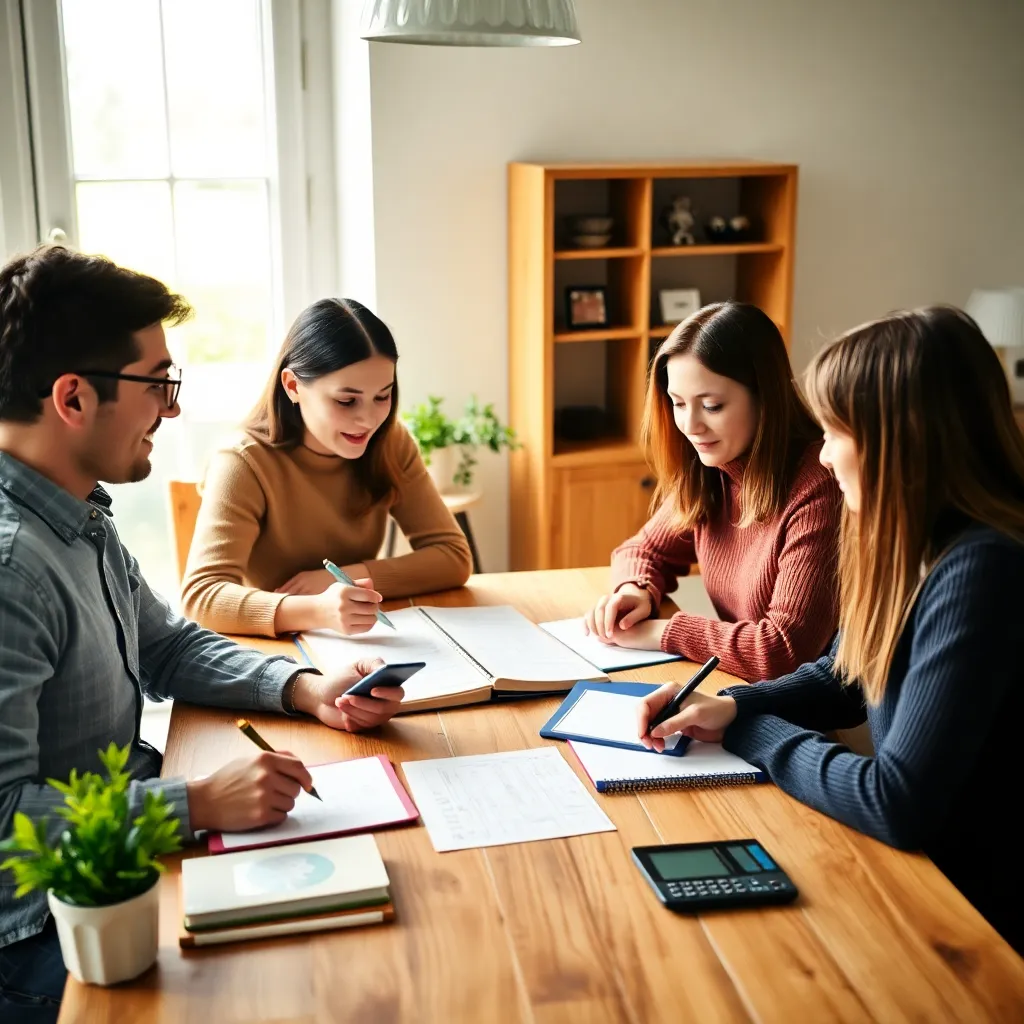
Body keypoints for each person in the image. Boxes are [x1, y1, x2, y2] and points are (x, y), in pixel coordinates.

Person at [0, 246, 405, 1021]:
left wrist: (304, 687)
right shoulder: (13, 569)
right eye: (158, 384)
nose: (174, 410)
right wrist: (195, 805)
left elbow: (167, 645)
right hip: (42, 931)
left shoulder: (75, 514)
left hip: (120, 841)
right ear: (73, 399)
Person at [636, 306, 1024, 953]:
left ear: (899, 439)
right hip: (924, 876)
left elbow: (895, 801)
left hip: (974, 911)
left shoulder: (982, 569)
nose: (821, 453)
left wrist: (751, 728)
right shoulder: (909, 543)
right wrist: (728, 707)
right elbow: (842, 677)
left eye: (835, 432)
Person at [180, 298, 472, 637]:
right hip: (276, 650)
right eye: (346, 401)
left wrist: (341, 577)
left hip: (357, 640)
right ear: (293, 387)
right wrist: (317, 610)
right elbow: (201, 597)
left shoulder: (390, 442)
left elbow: (452, 557)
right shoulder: (242, 461)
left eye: (383, 396)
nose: (368, 419)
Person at [585, 301, 842, 681]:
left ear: (764, 397)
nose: (691, 425)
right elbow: (642, 549)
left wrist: (665, 631)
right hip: (739, 691)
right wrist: (636, 589)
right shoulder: (714, 469)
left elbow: (781, 650)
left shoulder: (819, 486)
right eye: (677, 404)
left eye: (712, 405)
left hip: (799, 714)